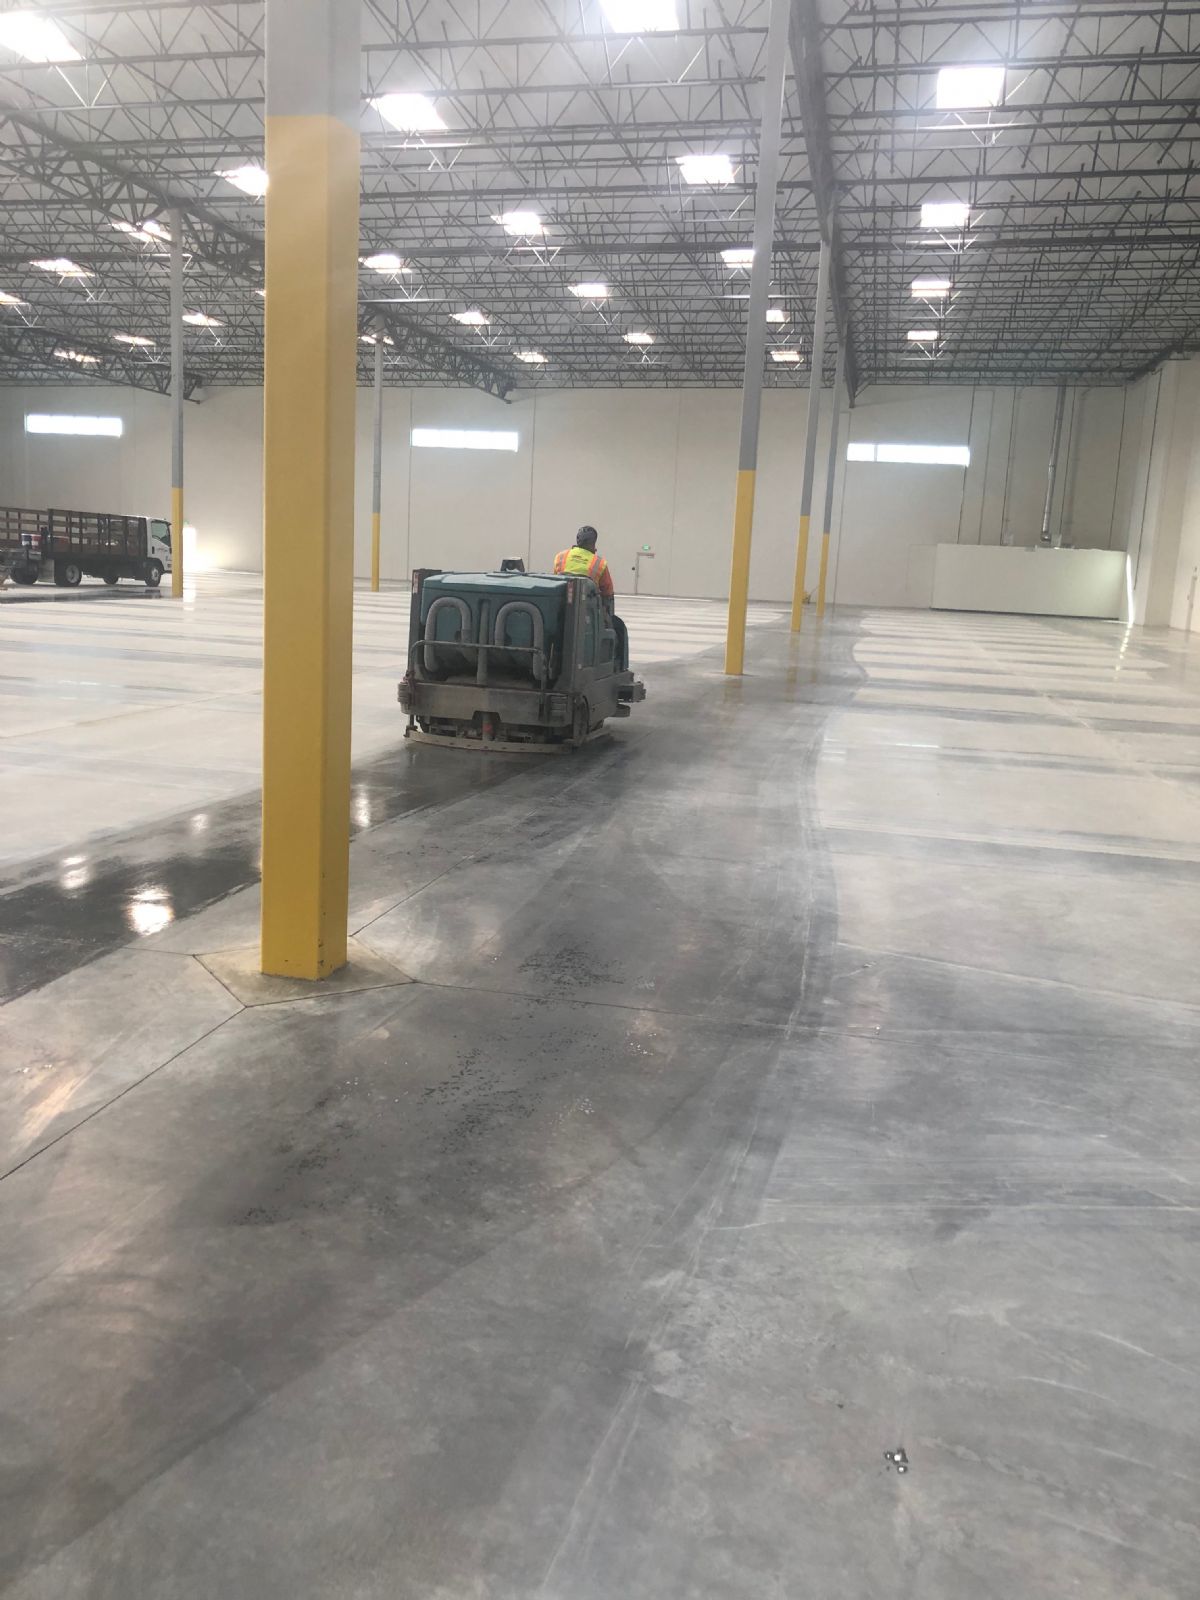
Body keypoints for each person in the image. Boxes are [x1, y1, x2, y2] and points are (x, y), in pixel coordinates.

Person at [553, 525, 614, 603]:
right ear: (593, 542)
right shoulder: (600, 563)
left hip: (561, 604)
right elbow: (608, 592)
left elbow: (555, 581)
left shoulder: (560, 557)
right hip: (587, 606)